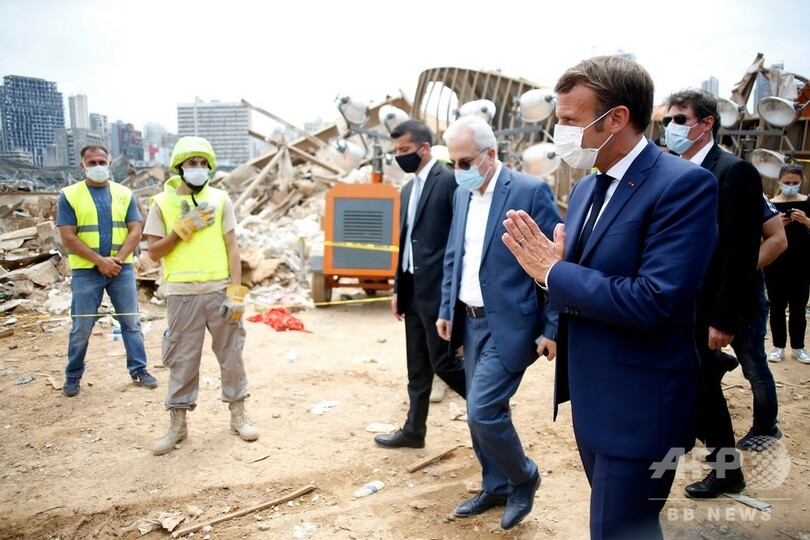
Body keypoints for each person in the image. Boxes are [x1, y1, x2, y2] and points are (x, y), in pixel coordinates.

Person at [502, 56, 718, 538]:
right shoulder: (586, 190)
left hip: (641, 408)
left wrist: (554, 271)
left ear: (616, 118)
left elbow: (655, 299)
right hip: (594, 399)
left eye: (569, 120)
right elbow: (576, 283)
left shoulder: (683, 185)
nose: (559, 131)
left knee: (619, 531)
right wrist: (551, 275)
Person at [436, 116, 562, 530]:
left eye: (465, 162)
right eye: (453, 163)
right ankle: (495, 485)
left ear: (490, 154)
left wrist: (553, 327)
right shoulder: (462, 195)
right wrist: (446, 309)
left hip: (510, 323)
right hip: (469, 321)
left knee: (482, 411)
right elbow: (455, 255)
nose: (459, 170)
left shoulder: (528, 190)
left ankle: (524, 477)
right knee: (483, 408)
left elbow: (556, 263)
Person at [662, 89, 768, 499]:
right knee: (690, 384)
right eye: (668, 120)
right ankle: (710, 451)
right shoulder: (674, 170)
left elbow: (740, 253)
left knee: (705, 389)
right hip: (678, 303)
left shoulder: (733, 172)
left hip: (708, 308)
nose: (671, 128)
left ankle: (727, 472)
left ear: (706, 123)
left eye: (680, 119)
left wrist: (723, 320)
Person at [145, 136, 257, 456]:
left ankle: (238, 416)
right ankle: (178, 424)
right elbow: (154, 252)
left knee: (232, 356)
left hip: (219, 291)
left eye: (203, 163)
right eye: (191, 163)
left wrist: (236, 293)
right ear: (179, 167)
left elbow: (233, 247)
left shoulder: (221, 199)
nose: (198, 168)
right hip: (182, 296)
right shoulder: (160, 203)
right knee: (182, 359)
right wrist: (184, 228)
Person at [374, 120, 466, 449]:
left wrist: (452, 294)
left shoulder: (449, 181)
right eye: (396, 150)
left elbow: (459, 238)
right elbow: (406, 243)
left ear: (424, 148)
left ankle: (489, 405)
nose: (399, 156)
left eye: (405, 149)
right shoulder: (408, 189)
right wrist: (398, 289)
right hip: (412, 288)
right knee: (417, 365)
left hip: (439, 290)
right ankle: (414, 431)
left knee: (443, 362)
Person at [57, 145, 156, 397]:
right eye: (92, 163)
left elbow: (136, 230)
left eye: (102, 161)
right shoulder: (69, 195)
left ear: (109, 163)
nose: (98, 166)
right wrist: (100, 262)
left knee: (130, 321)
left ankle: (139, 369)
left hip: (121, 270)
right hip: (86, 272)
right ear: (83, 166)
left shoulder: (124, 193)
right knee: (81, 327)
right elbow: (67, 237)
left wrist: (117, 261)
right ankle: (73, 375)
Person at [716, 195, 786, 452]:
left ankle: (766, 427)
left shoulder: (746, 190)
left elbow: (778, 239)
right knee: (698, 365)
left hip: (744, 300)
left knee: (755, 367)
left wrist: (737, 271)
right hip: (704, 299)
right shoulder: (687, 184)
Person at [764, 164, 810, 364]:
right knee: (776, 306)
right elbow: (761, 233)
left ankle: (798, 347)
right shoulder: (771, 204)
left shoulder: (807, 202)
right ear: (779, 182)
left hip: (802, 262)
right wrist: (778, 225)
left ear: (802, 182)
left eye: (795, 183)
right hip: (776, 262)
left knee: (799, 307)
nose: (790, 186)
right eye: (787, 182)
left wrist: (806, 221)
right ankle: (778, 346)